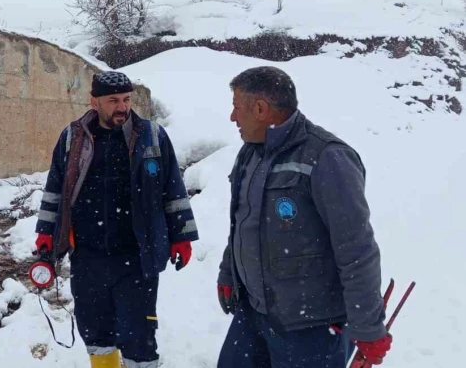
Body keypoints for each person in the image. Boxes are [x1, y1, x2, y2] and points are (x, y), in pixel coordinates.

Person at [216, 66, 392, 367]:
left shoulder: (326, 157)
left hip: (309, 325)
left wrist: (368, 328)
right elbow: (243, 224)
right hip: (253, 313)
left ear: (261, 109)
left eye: (236, 108)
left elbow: (356, 248)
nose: (233, 117)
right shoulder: (249, 153)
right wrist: (228, 272)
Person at [35, 71, 198, 368]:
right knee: (95, 329)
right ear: (94, 101)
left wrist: (182, 235)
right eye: (113, 101)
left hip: (138, 254)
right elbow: (55, 189)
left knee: (139, 332)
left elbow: (173, 188)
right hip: (88, 254)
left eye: (126, 99)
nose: (122, 107)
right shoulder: (74, 137)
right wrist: (46, 232)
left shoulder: (152, 135)